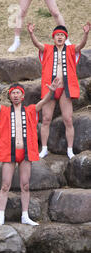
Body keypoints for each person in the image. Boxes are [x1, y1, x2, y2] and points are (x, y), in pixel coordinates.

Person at [0, 77, 61, 226]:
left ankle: (25, 216)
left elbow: (43, 102)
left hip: (26, 152)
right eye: (13, 93)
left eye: (18, 92)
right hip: (9, 152)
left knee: (25, 185)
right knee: (5, 185)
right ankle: (1, 216)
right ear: (10, 96)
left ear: (23, 96)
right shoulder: (5, 111)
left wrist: (51, 92)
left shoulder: (30, 110)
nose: (16, 95)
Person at [28, 22, 90, 159]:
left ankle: (69, 149)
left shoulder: (70, 49)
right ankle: (44, 149)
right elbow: (37, 44)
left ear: (65, 37)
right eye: (57, 35)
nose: (60, 37)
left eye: (62, 35)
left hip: (65, 88)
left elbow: (81, 46)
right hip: (50, 87)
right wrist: (32, 34)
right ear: (53, 38)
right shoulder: (48, 49)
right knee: (46, 119)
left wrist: (85, 34)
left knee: (68, 119)